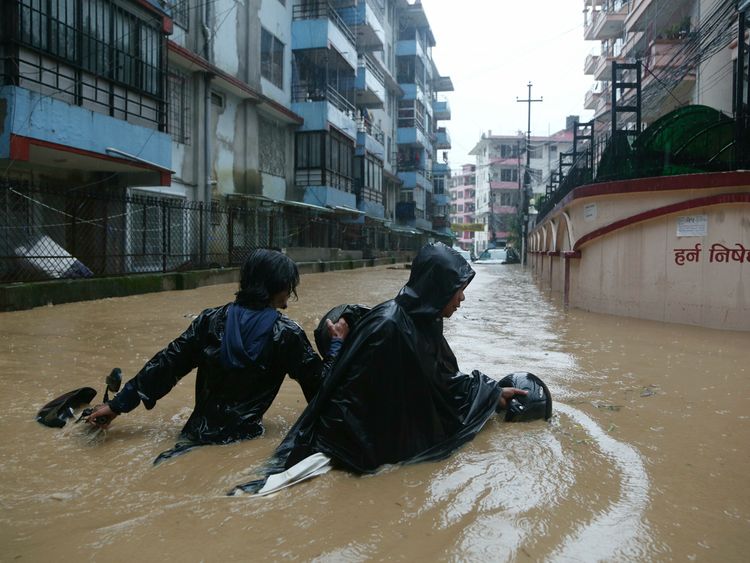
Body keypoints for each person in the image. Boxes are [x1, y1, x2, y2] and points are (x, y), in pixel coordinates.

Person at [231, 242, 530, 493]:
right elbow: (346, 396)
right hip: (343, 443)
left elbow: (442, 381)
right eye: (458, 289)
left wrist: (491, 393)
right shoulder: (388, 327)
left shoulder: (426, 323)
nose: (462, 298)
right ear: (438, 288)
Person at [86, 248, 348, 463]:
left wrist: (117, 406)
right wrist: (336, 345)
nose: (289, 296)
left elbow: (166, 364)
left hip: (191, 438)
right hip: (243, 445)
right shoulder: (286, 334)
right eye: (288, 288)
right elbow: (320, 391)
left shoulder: (210, 321)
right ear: (276, 287)